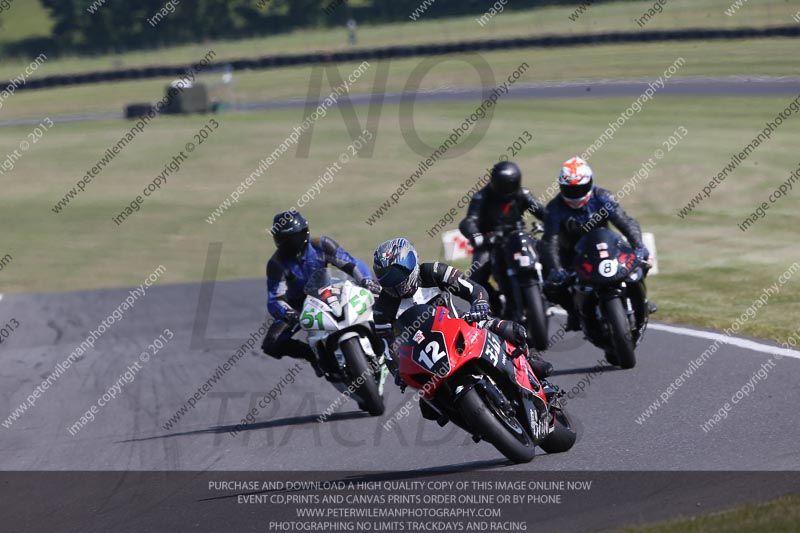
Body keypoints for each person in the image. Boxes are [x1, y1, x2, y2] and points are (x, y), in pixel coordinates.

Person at [371, 238, 553, 407]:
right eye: (387, 277)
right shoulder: (382, 309)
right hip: (425, 355)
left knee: (509, 330)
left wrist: (479, 303)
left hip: (463, 326)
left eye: (397, 273)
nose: (394, 282)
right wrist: (397, 371)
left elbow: (473, 289)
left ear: (410, 262)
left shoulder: (434, 271)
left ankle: (530, 365)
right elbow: (387, 348)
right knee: (428, 406)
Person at [541, 157, 655, 331]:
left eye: (579, 188)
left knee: (642, 261)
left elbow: (626, 222)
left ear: (590, 182)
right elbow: (550, 241)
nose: (575, 193)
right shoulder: (554, 208)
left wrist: (639, 246)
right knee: (552, 287)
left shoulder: (602, 197)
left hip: (607, 246)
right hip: (573, 254)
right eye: (569, 189)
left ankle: (640, 298)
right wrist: (556, 269)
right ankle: (574, 312)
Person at [261, 210, 380, 377]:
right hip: (299, 305)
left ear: (305, 233)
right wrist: (288, 313)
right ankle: (312, 355)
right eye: (283, 240)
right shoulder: (276, 263)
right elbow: (274, 299)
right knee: (271, 344)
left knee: (379, 298)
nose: (290, 244)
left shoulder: (321, 244)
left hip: (330, 288)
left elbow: (352, 264)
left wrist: (366, 280)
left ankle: (387, 341)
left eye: (294, 238)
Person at [458, 161, 547, 314]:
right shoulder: (482, 197)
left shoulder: (523, 194)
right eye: (504, 186)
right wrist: (478, 237)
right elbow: (468, 221)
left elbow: (542, 212)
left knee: (547, 253)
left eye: (511, 185)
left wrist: (554, 224)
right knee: (477, 276)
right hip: (490, 242)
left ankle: (548, 293)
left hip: (517, 237)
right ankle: (493, 305)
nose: (507, 190)